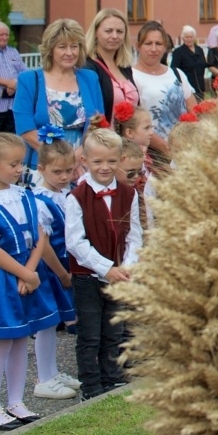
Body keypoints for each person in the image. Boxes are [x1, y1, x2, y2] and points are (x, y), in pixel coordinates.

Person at [0, 132, 62, 429]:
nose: (18, 169)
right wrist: (25, 273)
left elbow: (40, 238)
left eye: (21, 163)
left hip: (28, 273)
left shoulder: (27, 197)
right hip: (1, 279)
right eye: (13, 164)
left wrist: (32, 271)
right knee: (1, 343)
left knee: (22, 339)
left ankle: (16, 401)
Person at [64, 128, 140, 398]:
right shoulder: (76, 198)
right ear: (84, 161)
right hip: (88, 276)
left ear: (120, 159)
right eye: (97, 162)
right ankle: (91, 385)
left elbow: (134, 234)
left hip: (119, 274)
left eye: (111, 161)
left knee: (114, 329)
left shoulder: (129, 195)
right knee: (90, 334)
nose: (105, 167)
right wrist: (106, 267)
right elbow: (75, 242)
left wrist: (127, 266)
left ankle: (112, 377)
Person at [29, 134, 81, 401]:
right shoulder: (40, 201)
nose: (64, 176)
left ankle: (52, 371)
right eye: (57, 171)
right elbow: (44, 243)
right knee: (48, 322)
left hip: (64, 266)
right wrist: (61, 273)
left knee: (55, 320)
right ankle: (44, 378)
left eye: (69, 171)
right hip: (51, 268)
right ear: (41, 169)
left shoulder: (65, 193)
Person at [14, 19, 106, 167]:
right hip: (43, 163)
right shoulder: (29, 80)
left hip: (83, 163)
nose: (69, 53)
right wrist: (61, 161)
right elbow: (25, 128)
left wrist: (79, 156)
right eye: (62, 47)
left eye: (74, 46)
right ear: (50, 50)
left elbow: (99, 122)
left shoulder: (90, 78)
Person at [130, 22, 196, 154]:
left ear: (165, 47)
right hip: (152, 153)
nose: (154, 49)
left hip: (185, 149)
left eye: (158, 44)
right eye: (148, 43)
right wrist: (168, 149)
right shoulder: (131, 77)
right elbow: (134, 120)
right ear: (138, 46)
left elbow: (193, 108)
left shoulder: (177, 73)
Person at [84, 8, 139, 114]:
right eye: (108, 31)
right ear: (96, 33)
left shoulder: (124, 66)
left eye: (119, 32)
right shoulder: (88, 67)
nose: (114, 36)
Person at [169, 25, 209, 100]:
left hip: (200, 86)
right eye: (187, 37)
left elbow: (203, 65)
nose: (189, 39)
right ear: (183, 38)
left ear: (194, 37)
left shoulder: (199, 49)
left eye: (191, 37)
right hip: (187, 87)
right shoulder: (178, 52)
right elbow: (174, 70)